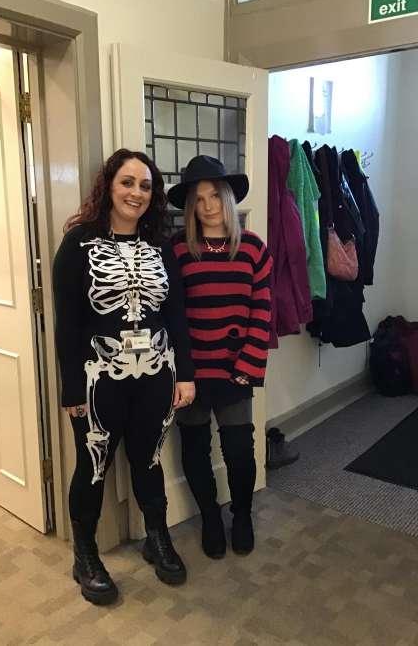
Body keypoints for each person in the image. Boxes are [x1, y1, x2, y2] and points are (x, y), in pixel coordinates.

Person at [53, 149, 195, 605]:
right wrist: (71, 388)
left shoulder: (161, 246)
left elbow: (176, 314)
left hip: (156, 372)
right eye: (127, 182)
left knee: (148, 459)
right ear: (109, 186)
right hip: (99, 375)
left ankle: (157, 538)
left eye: (145, 186)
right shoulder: (78, 244)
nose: (136, 193)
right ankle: (86, 556)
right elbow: (67, 324)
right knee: (93, 466)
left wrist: (185, 374)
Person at [168, 155, 273, 558]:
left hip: (235, 371)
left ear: (227, 197)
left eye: (214, 195)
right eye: (198, 199)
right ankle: (210, 517)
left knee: (239, 450)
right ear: (190, 206)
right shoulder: (178, 249)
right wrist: (180, 370)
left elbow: (261, 311)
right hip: (191, 372)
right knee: (195, 449)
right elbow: (172, 314)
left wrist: (248, 365)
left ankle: (241, 515)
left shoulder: (253, 249)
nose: (208, 205)